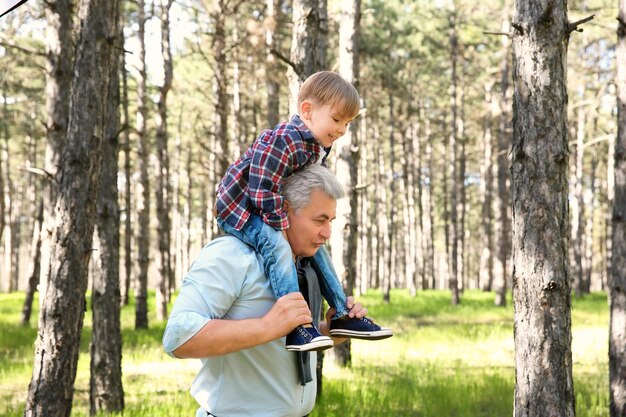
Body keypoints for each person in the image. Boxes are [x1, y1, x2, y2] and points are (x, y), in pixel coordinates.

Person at [163, 165, 384, 417]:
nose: (327, 233)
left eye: (331, 221)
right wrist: (267, 326)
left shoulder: (306, 265)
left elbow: (281, 344)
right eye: (319, 220)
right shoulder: (230, 255)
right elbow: (178, 337)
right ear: (285, 211)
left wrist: (329, 331)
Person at [215, 71, 392, 351]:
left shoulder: (316, 146)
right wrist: (283, 228)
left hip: (269, 208)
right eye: (336, 120)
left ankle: (343, 314)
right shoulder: (284, 139)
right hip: (242, 210)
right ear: (307, 110)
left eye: (346, 123)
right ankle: (297, 325)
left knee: (317, 248)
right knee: (278, 246)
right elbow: (261, 189)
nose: (342, 129)